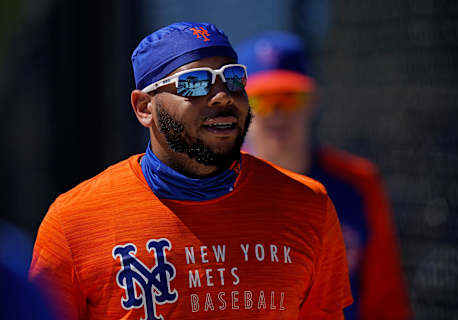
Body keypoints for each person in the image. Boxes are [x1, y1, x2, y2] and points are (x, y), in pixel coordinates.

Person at [29, 22, 352, 320]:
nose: (223, 95)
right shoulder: (75, 221)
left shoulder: (308, 205)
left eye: (234, 78)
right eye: (195, 83)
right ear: (145, 108)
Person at [237, 31, 411, 320]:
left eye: (290, 97)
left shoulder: (357, 182)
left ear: (313, 101)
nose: (278, 112)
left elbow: (385, 297)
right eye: (262, 100)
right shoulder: (212, 189)